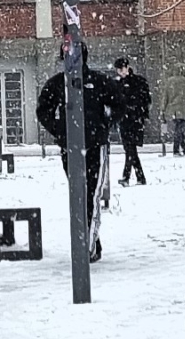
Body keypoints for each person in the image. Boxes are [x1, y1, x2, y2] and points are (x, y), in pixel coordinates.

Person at [38, 32, 120, 261]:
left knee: (91, 194)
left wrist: (105, 124)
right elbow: (43, 110)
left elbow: (120, 104)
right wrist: (60, 130)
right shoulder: (57, 84)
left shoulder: (99, 81)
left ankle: (88, 245)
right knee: (79, 194)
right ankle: (89, 239)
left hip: (95, 145)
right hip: (71, 147)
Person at [113, 57, 152, 186]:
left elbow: (145, 99)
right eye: (119, 70)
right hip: (125, 119)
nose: (121, 72)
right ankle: (140, 177)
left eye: (123, 69)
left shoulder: (138, 82)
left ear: (128, 67)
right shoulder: (118, 84)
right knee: (130, 149)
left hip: (135, 119)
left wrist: (137, 111)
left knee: (130, 148)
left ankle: (126, 177)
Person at [159, 71, 185, 156]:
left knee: (178, 129)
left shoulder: (169, 82)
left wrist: (163, 109)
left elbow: (165, 97)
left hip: (172, 108)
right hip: (183, 108)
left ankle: (183, 150)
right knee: (179, 129)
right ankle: (177, 150)